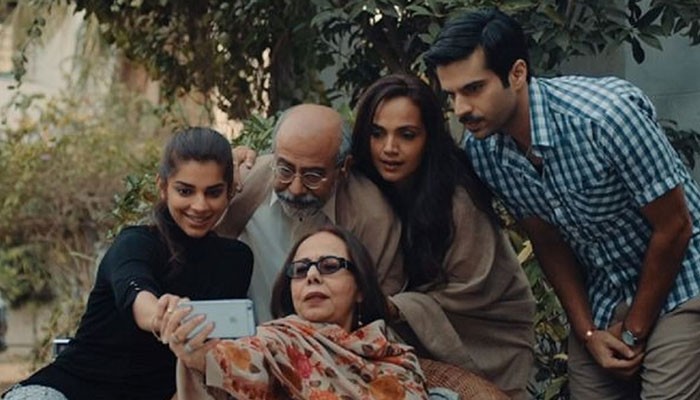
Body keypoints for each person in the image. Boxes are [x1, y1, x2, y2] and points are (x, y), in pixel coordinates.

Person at [424, 8, 700, 399]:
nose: (461, 109)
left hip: (683, 280)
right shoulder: (484, 151)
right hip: (604, 295)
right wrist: (587, 333)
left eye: (473, 89)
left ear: (517, 74)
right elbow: (547, 241)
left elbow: (675, 227)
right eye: (451, 95)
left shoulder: (605, 117)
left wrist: (634, 330)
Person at [2, 127, 253, 400]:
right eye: (185, 191)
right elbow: (135, 293)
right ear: (163, 187)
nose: (200, 205)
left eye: (213, 192)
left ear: (230, 191)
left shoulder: (236, 260)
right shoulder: (134, 243)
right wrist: (161, 316)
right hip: (64, 391)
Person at [351, 73, 535, 399]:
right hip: (403, 340)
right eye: (377, 134)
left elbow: (476, 288)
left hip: (484, 337)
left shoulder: (457, 201)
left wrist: (396, 307)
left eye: (407, 135)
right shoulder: (358, 186)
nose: (389, 148)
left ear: (429, 139)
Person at [167, 226, 429, 400]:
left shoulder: (397, 359)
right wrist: (200, 355)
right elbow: (246, 360)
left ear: (360, 287)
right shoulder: (278, 340)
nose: (312, 275)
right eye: (301, 270)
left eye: (329, 266)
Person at [216, 103, 403, 323]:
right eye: (285, 170)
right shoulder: (242, 183)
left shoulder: (373, 218)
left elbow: (380, 307)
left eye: (313, 176)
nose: (296, 189)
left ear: (344, 168)